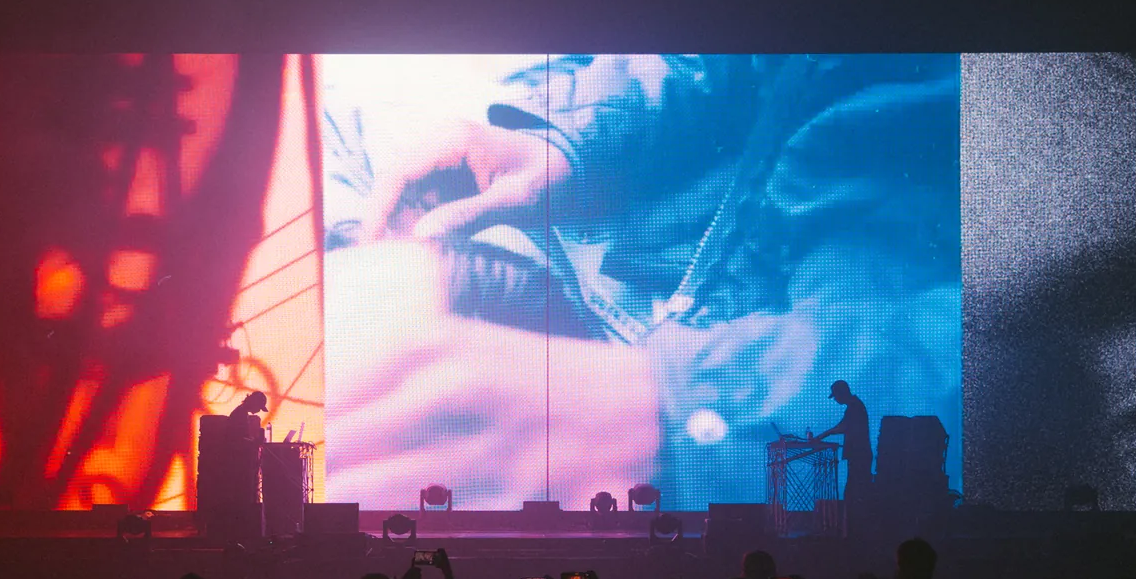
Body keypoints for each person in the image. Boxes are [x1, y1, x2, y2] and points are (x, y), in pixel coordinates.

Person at [320, 54, 961, 509]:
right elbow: (752, 50)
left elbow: (1017, 365)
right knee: (344, 130)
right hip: (633, 251)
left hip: (745, 377)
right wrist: (568, 142)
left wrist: (675, 415)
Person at [811, 380, 872, 502]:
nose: (835, 399)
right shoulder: (854, 406)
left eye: (836, 396)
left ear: (841, 393)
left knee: (856, 490)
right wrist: (822, 436)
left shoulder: (855, 407)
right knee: (855, 489)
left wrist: (823, 435)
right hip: (858, 454)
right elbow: (842, 425)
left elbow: (844, 427)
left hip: (859, 454)